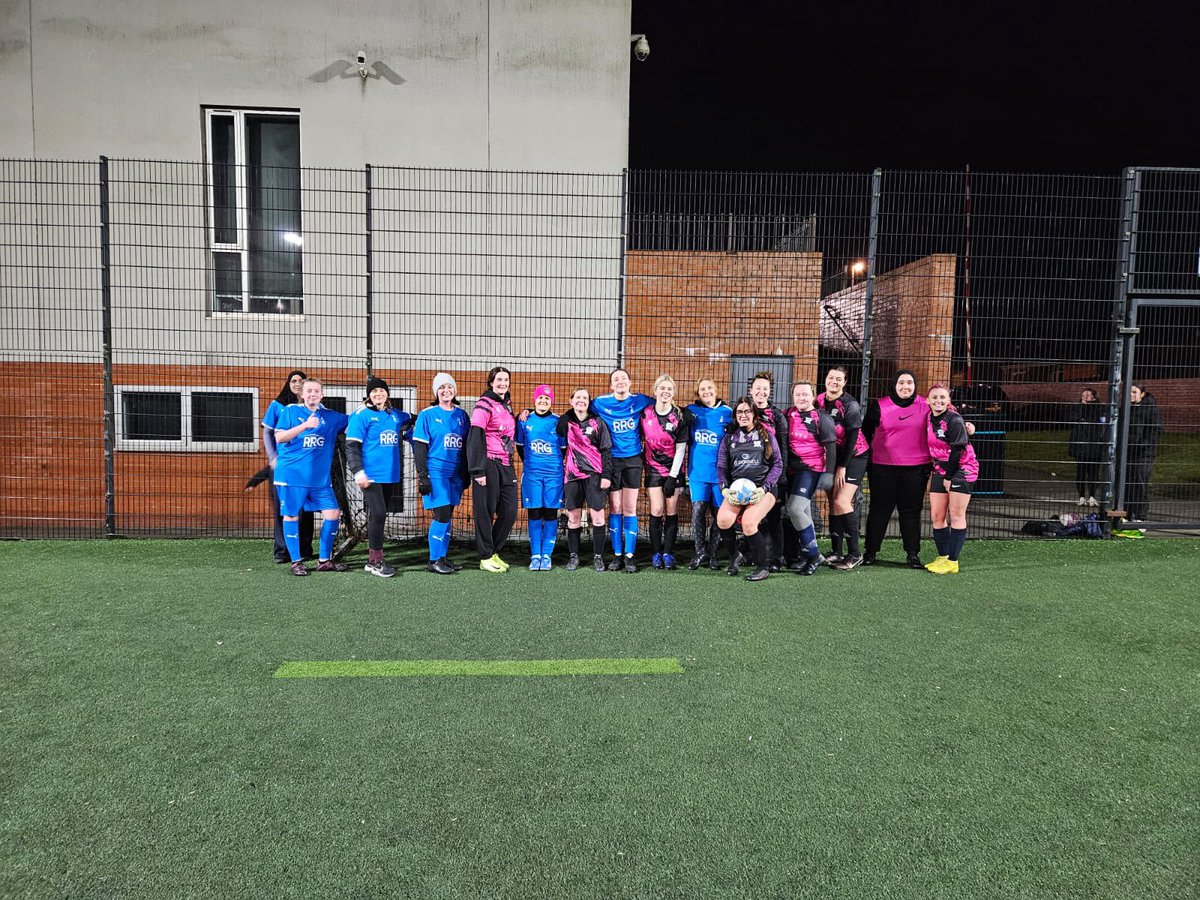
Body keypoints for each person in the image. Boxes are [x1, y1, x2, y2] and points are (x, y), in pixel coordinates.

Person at [272, 378, 350, 576]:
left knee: (333, 513)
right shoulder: (290, 411)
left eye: (316, 391)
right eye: (309, 391)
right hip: (291, 476)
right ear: (302, 394)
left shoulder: (331, 417)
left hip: (319, 481)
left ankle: (324, 560)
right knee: (291, 515)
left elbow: (355, 420)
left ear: (322, 395)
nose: (312, 394)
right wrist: (304, 426)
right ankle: (296, 562)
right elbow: (279, 437)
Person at [861, 370, 932, 569]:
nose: (905, 386)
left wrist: (967, 425)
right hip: (883, 468)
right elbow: (865, 435)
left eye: (909, 382)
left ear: (915, 385)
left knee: (911, 512)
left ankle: (912, 554)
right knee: (879, 511)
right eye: (901, 382)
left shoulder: (926, 405)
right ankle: (870, 552)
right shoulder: (879, 406)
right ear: (894, 385)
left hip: (916, 469)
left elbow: (946, 418)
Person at [346, 376, 412, 577]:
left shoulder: (394, 415)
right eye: (374, 391)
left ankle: (372, 560)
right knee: (379, 513)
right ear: (368, 395)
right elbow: (352, 446)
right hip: (370, 476)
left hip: (389, 475)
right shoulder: (361, 415)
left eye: (381, 391)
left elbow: (413, 418)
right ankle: (376, 561)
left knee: (378, 516)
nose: (378, 394)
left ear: (387, 394)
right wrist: (358, 471)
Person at [590, 368, 654, 572]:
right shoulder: (600, 403)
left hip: (634, 460)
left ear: (630, 382)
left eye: (623, 378)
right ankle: (617, 556)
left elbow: (663, 405)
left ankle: (630, 556)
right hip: (612, 461)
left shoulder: (640, 401)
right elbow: (578, 410)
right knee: (615, 508)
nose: (620, 381)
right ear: (611, 385)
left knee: (630, 509)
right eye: (616, 379)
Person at [716, 398, 783, 582]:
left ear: (754, 413)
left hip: (764, 490)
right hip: (738, 490)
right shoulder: (729, 437)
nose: (743, 415)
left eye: (747, 411)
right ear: (735, 416)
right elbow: (721, 467)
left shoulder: (766, 435)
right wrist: (724, 489)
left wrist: (764, 488)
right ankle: (734, 555)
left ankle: (762, 567)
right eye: (739, 412)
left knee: (748, 523)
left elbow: (777, 464)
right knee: (723, 520)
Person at [412, 372, 470, 575]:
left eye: (449, 387)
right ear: (436, 392)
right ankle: (433, 559)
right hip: (436, 472)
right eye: (442, 388)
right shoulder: (426, 415)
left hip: (455, 473)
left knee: (449, 515)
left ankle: (443, 557)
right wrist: (423, 476)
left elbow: (466, 447)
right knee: (441, 514)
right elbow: (419, 447)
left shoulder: (462, 415)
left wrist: (466, 472)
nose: (446, 391)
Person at [467, 366, 519, 572]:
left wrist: (524, 413)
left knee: (509, 512)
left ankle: (493, 551)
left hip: (506, 464)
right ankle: (485, 556)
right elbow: (475, 435)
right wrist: (478, 470)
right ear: (491, 382)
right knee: (485, 511)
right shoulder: (484, 403)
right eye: (499, 380)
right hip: (487, 463)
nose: (502, 383)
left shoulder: (506, 404)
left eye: (506, 380)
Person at [557, 388, 614, 572]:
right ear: (571, 401)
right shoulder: (566, 422)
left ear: (589, 403)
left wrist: (606, 476)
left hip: (594, 476)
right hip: (572, 476)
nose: (581, 400)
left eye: (585, 398)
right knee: (573, 518)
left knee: (597, 517)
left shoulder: (597, 422)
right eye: (578, 397)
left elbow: (606, 450)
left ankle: (598, 557)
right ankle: (574, 557)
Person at [818, 366, 870, 569]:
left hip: (854, 456)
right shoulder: (819, 400)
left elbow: (852, 439)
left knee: (841, 501)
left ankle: (855, 554)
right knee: (832, 502)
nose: (834, 381)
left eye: (839, 379)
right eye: (831, 377)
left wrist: (842, 467)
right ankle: (836, 551)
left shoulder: (850, 406)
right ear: (826, 379)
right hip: (832, 456)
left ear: (845, 382)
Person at [784, 382, 837, 575]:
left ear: (813, 396)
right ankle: (809, 556)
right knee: (802, 511)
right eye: (798, 394)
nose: (801, 398)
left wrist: (828, 474)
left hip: (811, 470)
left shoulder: (821, 418)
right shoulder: (788, 414)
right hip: (792, 470)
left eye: (805, 394)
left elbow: (831, 448)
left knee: (794, 509)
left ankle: (814, 556)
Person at [261, 369, 313, 563]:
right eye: (294, 381)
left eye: (301, 381)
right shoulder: (278, 405)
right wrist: (273, 457)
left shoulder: (310, 406)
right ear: (288, 384)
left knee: (305, 508)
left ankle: (304, 549)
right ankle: (282, 551)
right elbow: (268, 432)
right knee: (283, 508)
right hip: (284, 466)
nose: (298, 384)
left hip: (306, 466)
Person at [925, 384, 978, 574]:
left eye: (942, 397)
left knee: (956, 514)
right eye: (934, 397)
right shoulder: (929, 417)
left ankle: (953, 561)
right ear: (928, 400)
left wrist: (948, 477)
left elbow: (957, 450)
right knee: (937, 516)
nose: (938, 401)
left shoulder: (954, 419)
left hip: (962, 469)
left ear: (948, 400)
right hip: (940, 469)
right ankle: (943, 556)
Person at [642, 374, 691, 570]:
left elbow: (681, 449)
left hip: (674, 470)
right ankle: (655, 553)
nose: (665, 392)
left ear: (673, 393)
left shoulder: (679, 416)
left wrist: (672, 476)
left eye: (669, 389)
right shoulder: (645, 414)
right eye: (662, 388)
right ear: (655, 391)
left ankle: (668, 553)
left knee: (671, 511)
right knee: (656, 510)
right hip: (653, 468)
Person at [516, 384, 564, 571]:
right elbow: (520, 446)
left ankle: (547, 555)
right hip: (532, 475)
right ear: (534, 400)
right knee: (534, 512)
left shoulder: (558, 421)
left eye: (547, 398)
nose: (543, 401)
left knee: (551, 513)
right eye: (540, 398)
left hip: (554, 475)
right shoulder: (524, 420)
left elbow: (564, 448)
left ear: (551, 401)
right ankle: (535, 555)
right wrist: (531, 463)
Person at [686, 378, 732, 570]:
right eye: (702, 389)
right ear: (698, 392)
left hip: (719, 474)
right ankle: (700, 553)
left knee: (717, 514)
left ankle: (713, 554)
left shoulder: (728, 413)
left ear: (716, 390)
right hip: (697, 472)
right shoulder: (691, 411)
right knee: (697, 511)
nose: (706, 392)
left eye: (709, 388)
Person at [747, 371, 791, 571]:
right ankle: (752, 555)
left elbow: (783, 447)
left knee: (774, 518)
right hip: (748, 475)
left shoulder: (778, 416)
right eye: (758, 388)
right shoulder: (744, 413)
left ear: (769, 392)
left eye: (765, 389)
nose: (761, 392)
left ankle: (776, 558)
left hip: (772, 477)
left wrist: (780, 479)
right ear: (751, 391)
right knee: (749, 518)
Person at [1125, 382, 1162, 523]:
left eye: (1134, 392)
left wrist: (1144, 444)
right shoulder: (1125, 409)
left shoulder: (1151, 410)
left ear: (1142, 394)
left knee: (1140, 483)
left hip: (1143, 453)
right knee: (1126, 484)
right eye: (1129, 392)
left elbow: (1155, 430)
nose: (1131, 395)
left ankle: (1141, 517)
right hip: (1126, 453)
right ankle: (1126, 514)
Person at [1068, 387, 1106, 508]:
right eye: (1083, 395)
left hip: (1094, 445)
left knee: (1093, 472)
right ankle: (1081, 496)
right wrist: (1082, 407)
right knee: (1081, 472)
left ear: (1094, 397)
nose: (1084, 397)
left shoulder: (1098, 408)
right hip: (1081, 446)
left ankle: (1092, 496)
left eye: (1088, 395)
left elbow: (1099, 421)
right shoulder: (1077, 407)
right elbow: (1072, 419)